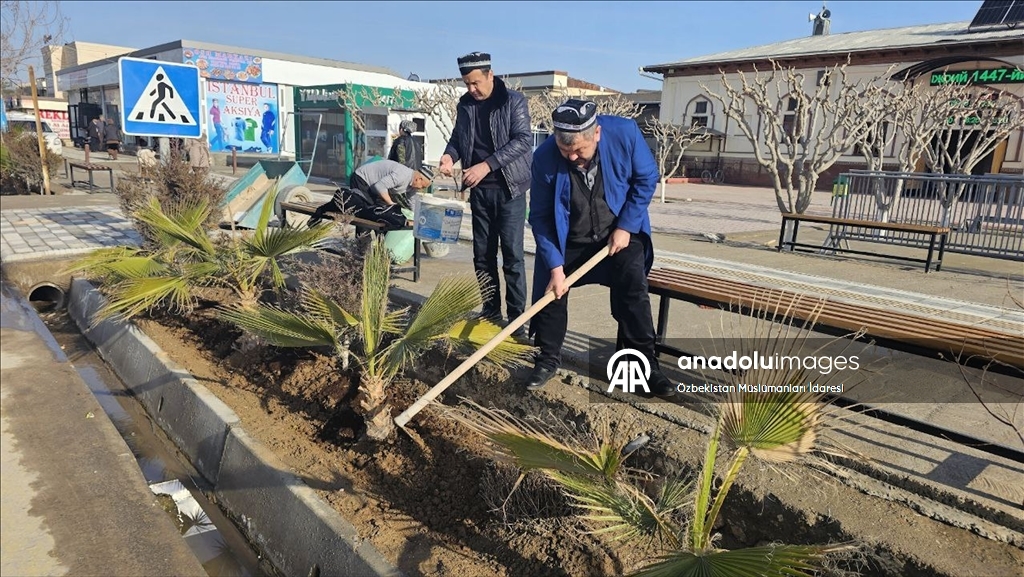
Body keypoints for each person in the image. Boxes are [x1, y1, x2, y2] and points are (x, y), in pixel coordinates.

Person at [525, 99, 675, 397]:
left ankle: (645, 363)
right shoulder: (543, 157)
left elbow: (646, 179)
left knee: (633, 284)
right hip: (570, 240)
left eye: (579, 150)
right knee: (550, 290)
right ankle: (547, 357)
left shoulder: (625, 133)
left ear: (597, 134)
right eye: (565, 151)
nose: (572, 158)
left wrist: (626, 227)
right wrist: (556, 268)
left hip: (616, 234)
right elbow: (540, 217)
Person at [438, 51, 532, 334]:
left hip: (509, 190)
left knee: (513, 257)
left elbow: (523, 140)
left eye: (476, 82)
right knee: (482, 256)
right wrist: (448, 156)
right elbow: (458, 138)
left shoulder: (514, 101)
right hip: (479, 192)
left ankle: (517, 320)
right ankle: (491, 310)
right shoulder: (465, 104)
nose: (471, 89)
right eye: (467, 83)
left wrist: (485, 166)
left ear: (490, 75)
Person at [308, 160, 434, 231]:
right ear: (418, 178)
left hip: (372, 187)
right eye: (423, 186)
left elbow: (412, 202)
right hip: (362, 179)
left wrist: (419, 217)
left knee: (373, 212)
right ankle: (319, 213)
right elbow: (379, 186)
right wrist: (391, 204)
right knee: (363, 212)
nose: (421, 189)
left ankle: (366, 243)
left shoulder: (411, 185)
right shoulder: (402, 175)